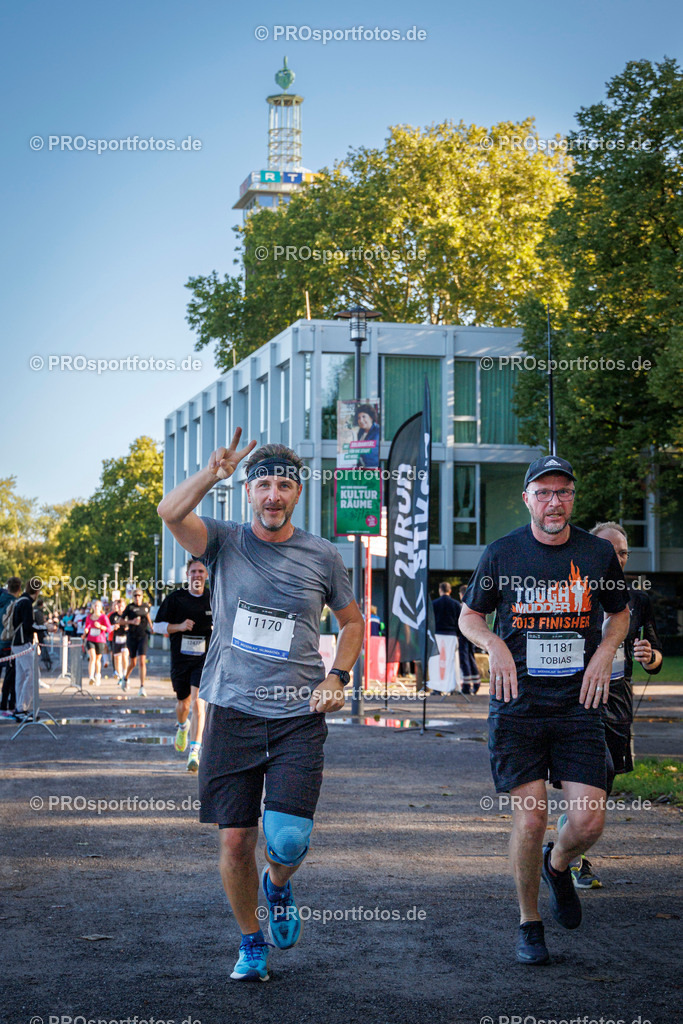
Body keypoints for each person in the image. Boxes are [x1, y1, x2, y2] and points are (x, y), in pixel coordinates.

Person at [158, 430, 364, 983]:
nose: (274, 495)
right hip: (232, 710)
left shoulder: (321, 554)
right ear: (249, 492)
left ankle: (277, 886)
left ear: (297, 494)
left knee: (288, 840)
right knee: (234, 838)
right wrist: (210, 474)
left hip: (299, 714)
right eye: (264, 484)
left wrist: (338, 675)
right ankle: (251, 941)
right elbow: (169, 511)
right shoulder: (222, 541)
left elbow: (351, 624)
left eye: (284, 486)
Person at [459, 455, 630, 966]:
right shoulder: (503, 552)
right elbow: (470, 616)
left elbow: (620, 614)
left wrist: (603, 651)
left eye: (563, 492)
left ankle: (559, 866)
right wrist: (496, 645)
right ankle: (529, 922)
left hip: (580, 704)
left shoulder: (597, 553)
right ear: (528, 498)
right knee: (531, 821)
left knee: (588, 823)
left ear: (572, 499)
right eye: (544, 492)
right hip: (519, 705)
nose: (553, 502)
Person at [557, 521, 664, 889]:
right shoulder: (570, 590)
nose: (616, 558)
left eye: (622, 553)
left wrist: (650, 656)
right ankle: (571, 862)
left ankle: (563, 852)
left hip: (617, 702)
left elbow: (655, 657)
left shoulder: (638, 600)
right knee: (585, 784)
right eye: (609, 551)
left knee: (602, 787)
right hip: (577, 702)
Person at [154, 559, 212, 773]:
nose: (197, 575)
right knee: (184, 705)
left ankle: (195, 752)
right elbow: (156, 626)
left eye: (201, 571)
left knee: (198, 704)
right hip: (180, 659)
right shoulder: (176, 598)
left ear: (206, 575)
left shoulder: (214, 598)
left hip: (204, 660)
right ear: (187, 575)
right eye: (193, 571)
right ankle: (182, 726)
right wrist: (179, 626)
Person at [10, 578, 43, 719]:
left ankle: (19, 707)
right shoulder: (27, 603)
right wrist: (44, 628)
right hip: (23, 642)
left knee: (21, 676)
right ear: (37, 591)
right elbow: (29, 625)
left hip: (16, 642)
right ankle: (22, 708)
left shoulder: (19, 601)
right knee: (33, 674)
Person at [428, 582, 463, 695]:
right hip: (451, 635)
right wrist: (457, 634)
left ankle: (437, 688)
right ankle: (452, 686)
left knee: (436, 662)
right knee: (452, 662)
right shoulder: (456, 604)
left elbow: (430, 621)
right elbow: (460, 622)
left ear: (440, 590)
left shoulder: (434, 604)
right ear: (450, 590)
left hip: (437, 634)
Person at [121, 588, 153, 696]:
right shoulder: (130, 607)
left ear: (142, 596)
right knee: (133, 663)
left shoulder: (145, 606)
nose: (137, 597)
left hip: (143, 636)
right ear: (133, 597)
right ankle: (125, 678)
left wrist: (152, 627)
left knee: (142, 661)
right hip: (132, 636)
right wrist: (131, 621)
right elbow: (120, 621)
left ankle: (142, 687)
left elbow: (147, 616)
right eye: (135, 595)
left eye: (139, 595)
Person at [0, 577, 22, 711]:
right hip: (10, 642)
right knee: (11, 675)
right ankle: (8, 704)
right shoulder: (17, 604)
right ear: (19, 589)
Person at [457, 584, 481, 694]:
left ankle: (466, 685)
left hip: (463, 635)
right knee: (471, 657)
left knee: (464, 659)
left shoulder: (461, 606)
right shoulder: (474, 606)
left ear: (462, 594)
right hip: (473, 635)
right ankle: (476, 683)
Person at [83, 599, 112, 685]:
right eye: (95, 606)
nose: (96, 607)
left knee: (97, 660)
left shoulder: (103, 617)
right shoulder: (89, 617)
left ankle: (97, 675)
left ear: (101, 607)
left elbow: (109, 629)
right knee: (92, 657)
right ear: (92, 607)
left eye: (98, 606)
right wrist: (86, 630)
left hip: (100, 640)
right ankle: (91, 677)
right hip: (90, 640)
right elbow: (87, 626)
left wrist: (100, 626)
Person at [108, 598, 129, 687]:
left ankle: (125, 675)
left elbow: (133, 624)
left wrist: (129, 628)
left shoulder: (128, 615)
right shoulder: (113, 616)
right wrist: (113, 627)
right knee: (117, 659)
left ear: (125, 607)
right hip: (116, 639)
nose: (120, 608)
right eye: (119, 606)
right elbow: (108, 627)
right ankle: (120, 677)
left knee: (124, 655)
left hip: (126, 638)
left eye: (122, 606)